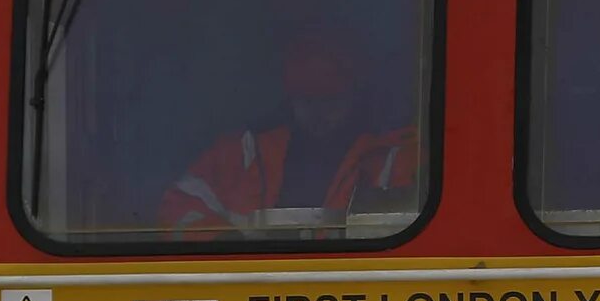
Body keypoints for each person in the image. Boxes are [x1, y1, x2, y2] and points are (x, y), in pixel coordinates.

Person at [160, 31, 417, 236]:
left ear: (354, 96)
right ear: (290, 97)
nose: (318, 112)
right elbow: (179, 211)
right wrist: (223, 242)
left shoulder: (396, 157)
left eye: (330, 100)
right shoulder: (242, 153)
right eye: (307, 99)